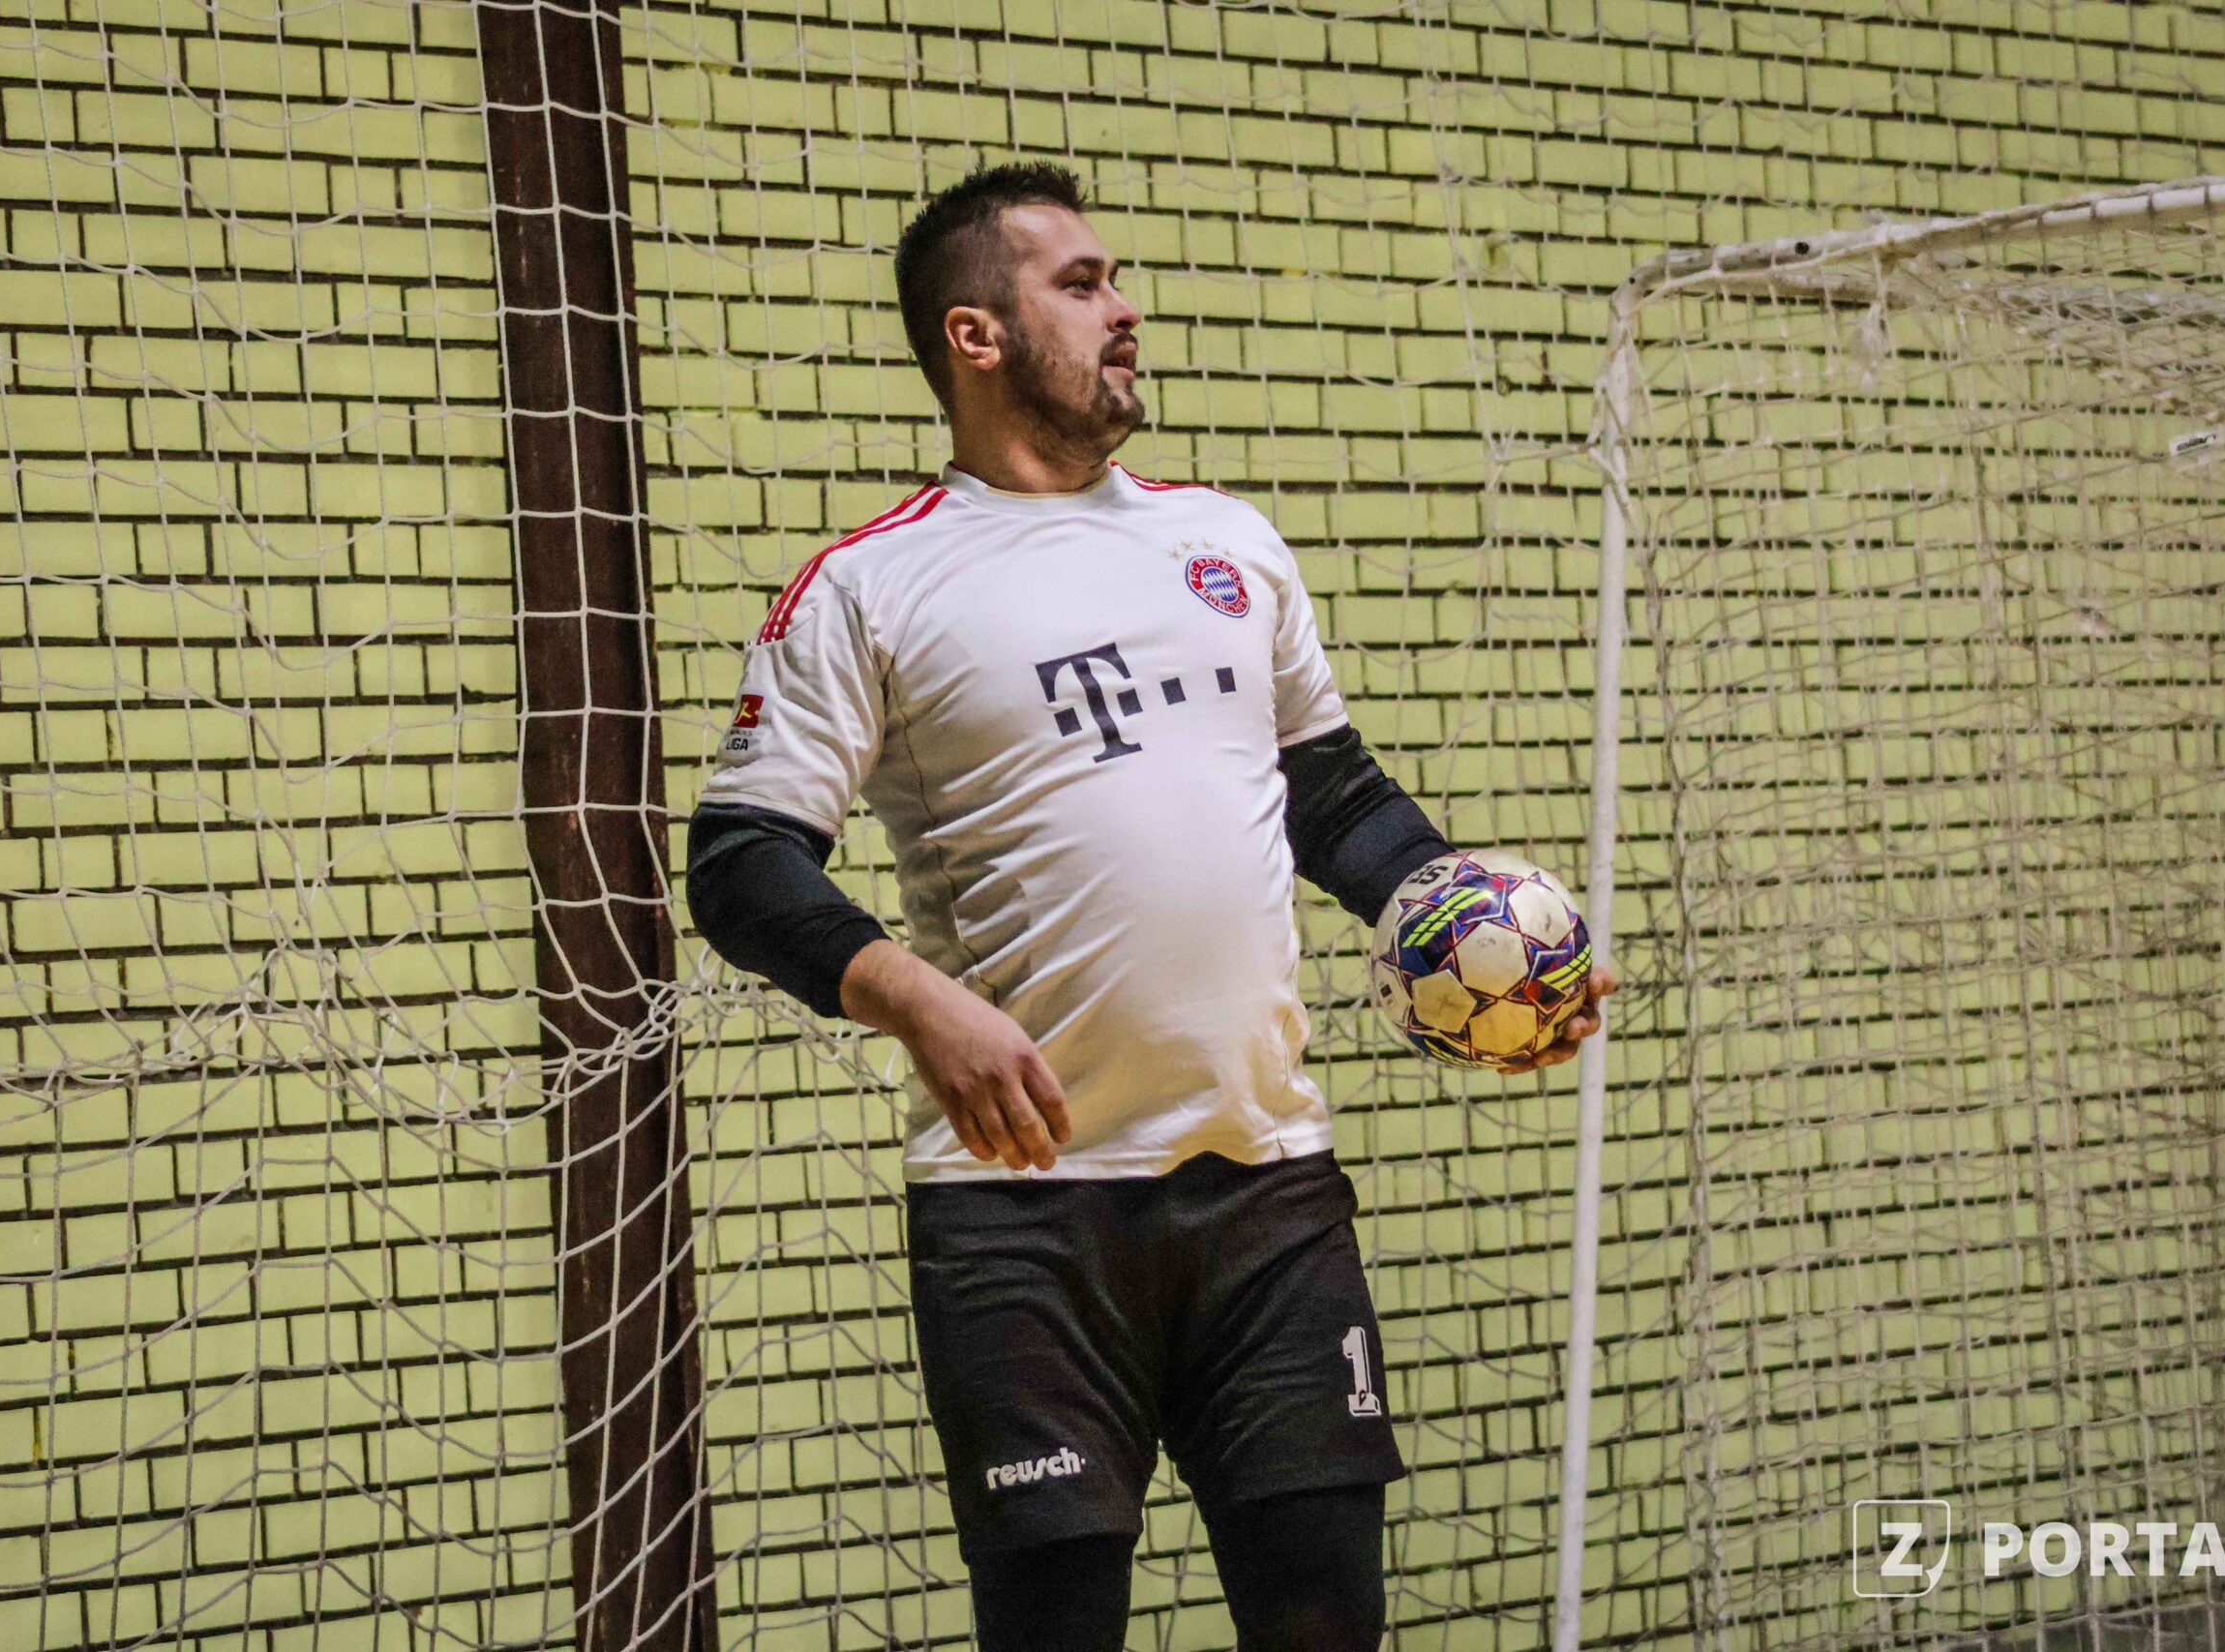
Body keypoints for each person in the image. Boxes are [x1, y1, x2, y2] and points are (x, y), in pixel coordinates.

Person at [684, 162, 1616, 1652]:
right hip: (1023, 1220)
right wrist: (920, 1004)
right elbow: (741, 862)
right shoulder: (871, 588)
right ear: (976, 335)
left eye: (1115, 279)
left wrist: (1477, 931)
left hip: (1268, 1192)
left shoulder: (1229, 545)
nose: (1123, 309)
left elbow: (1336, 803)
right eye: (1080, 284)